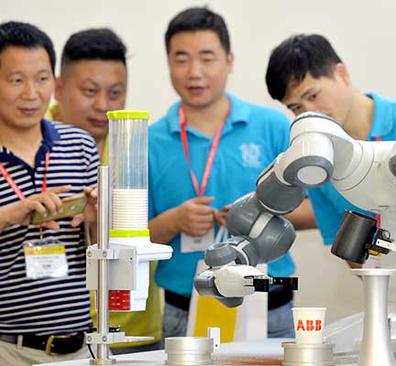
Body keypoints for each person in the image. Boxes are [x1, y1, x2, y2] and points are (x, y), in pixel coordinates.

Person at [148, 7, 315, 341]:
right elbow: (135, 237)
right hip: (184, 310)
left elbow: (318, 210)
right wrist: (173, 222)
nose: (194, 71)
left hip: (270, 303)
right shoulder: (149, 141)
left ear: (229, 60)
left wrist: (259, 219)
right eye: (181, 59)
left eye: (207, 58)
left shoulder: (273, 127)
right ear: (168, 63)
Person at [46, 28, 163, 353]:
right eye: (89, 90)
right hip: (51, 334)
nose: (102, 105)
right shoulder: (31, 142)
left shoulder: (137, 146)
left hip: (132, 331)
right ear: (58, 87)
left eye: (115, 93)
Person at [265, 34, 396, 247]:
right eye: (295, 108)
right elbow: (347, 248)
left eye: (312, 96)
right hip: (382, 277)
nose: (309, 111)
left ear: (341, 73)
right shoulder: (317, 158)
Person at [0, 21, 99, 365]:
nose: (31, 93)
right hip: (9, 348)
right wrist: (12, 214)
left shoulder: (80, 145)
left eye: (42, 79)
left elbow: (101, 248)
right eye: (16, 80)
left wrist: (97, 218)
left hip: (80, 346)